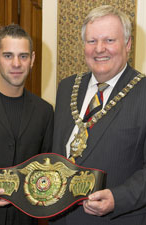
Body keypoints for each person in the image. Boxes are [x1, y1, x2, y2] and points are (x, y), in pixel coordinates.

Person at [50, 5, 146, 225]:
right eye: (92, 41)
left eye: (109, 40)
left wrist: (117, 198)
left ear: (128, 44)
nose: (99, 49)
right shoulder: (67, 88)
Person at [0, 24, 53, 225]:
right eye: (8, 56)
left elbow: (46, 169)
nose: (16, 63)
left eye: (23, 56)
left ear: (32, 59)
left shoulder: (45, 111)